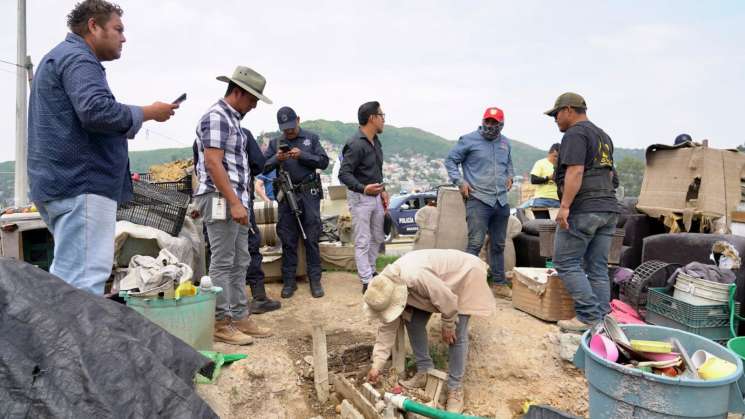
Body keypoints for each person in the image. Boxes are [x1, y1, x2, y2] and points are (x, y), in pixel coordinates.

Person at [28, 0, 178, 295]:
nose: (124, 37)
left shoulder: (58, 58)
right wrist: (149, 112)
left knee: (69, 278)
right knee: (83, 284)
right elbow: (96, 110)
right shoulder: (79, 59)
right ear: (94, 27)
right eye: (118, 29)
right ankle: (75, 342)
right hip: (82, 185)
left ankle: (64, 339)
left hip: (60, 184)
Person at [194, 66, 273, 345]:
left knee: (241, 259)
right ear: (238, 92)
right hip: (221, 198)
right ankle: (220, 320)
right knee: (223, 260)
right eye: (252, 99)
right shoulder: (217, 117)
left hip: (233, 199)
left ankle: (239, 315)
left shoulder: (232, 121)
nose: (253, 105)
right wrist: (234, 203)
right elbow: (213, 163)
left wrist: (240, 202)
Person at [364, 249, 495, 414]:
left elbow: (447, 299)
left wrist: (448, 324)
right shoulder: (383, 287)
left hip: (464, 275)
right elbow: (386, 329)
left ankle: (455, 389)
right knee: (413, 321)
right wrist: (377, 365)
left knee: (456, 334)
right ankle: (425, 370)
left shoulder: (415, 277)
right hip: (437, 285)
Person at [544, 92, 621, 332]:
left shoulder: (575, 134)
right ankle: (604, 319)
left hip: (584, 208)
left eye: (556, 114)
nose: (555, 119)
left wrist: (565, 206)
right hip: (608, 208)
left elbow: (575, 171)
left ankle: (589, 316)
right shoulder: (603, 136)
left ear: (568, 110)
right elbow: (611, 176)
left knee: (565, 261)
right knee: (597, 267)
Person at [444, 107, 514, 299]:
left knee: (498, 245)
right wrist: (459, 182)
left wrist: (510, 176)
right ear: (483, 121)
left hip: (501, 201)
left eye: (495, 123)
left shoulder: (506, 143)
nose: (490, 126)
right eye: (488, 122)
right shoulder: (468, 140)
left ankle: (499, 284)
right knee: (475, 243)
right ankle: (466, 285)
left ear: (501, 125)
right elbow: (450, 161)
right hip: (478, 199)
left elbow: (508, 164)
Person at [263, 107, 329, 299]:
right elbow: (263, 167)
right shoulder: (275, 143)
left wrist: (302, 155)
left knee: (311, 236)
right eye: (285, 128)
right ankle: (289, 281)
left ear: (298, 120)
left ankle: (315, 279)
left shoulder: (311, 138)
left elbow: (323, 162)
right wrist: (277, 158)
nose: (289, 131)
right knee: (288, 238)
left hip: (309, 194)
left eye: (291, 126)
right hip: (286, 195)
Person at [338, 101, 389, 293]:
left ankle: (372, 270)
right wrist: (363, 188)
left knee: (377, 236)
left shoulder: (376, 141)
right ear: (372, 118)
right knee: (362, 239)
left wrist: (383, 189)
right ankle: (366, 280)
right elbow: (344, 174)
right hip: (360, 197)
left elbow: (377, 170)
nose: (384, 119)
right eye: (382, 115)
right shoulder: (355, 144)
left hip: (375, 195)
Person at [243, 128, 281, 314]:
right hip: (239, 200)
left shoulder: (202, 136)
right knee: (251, 246)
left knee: (221, 256)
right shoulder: (242, 134)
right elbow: (260, 164)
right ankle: (258, 297)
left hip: (213, 203)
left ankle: (225, 305)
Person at [529, 143, 561, 207]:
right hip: (541, 199)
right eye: (555, 156)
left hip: (558, 200)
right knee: (541, 217)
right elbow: (533, 180)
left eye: (559, 157)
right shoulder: (540, 163)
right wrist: (548, 178)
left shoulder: (562, 166)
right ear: (549, 153)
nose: (556, 159)